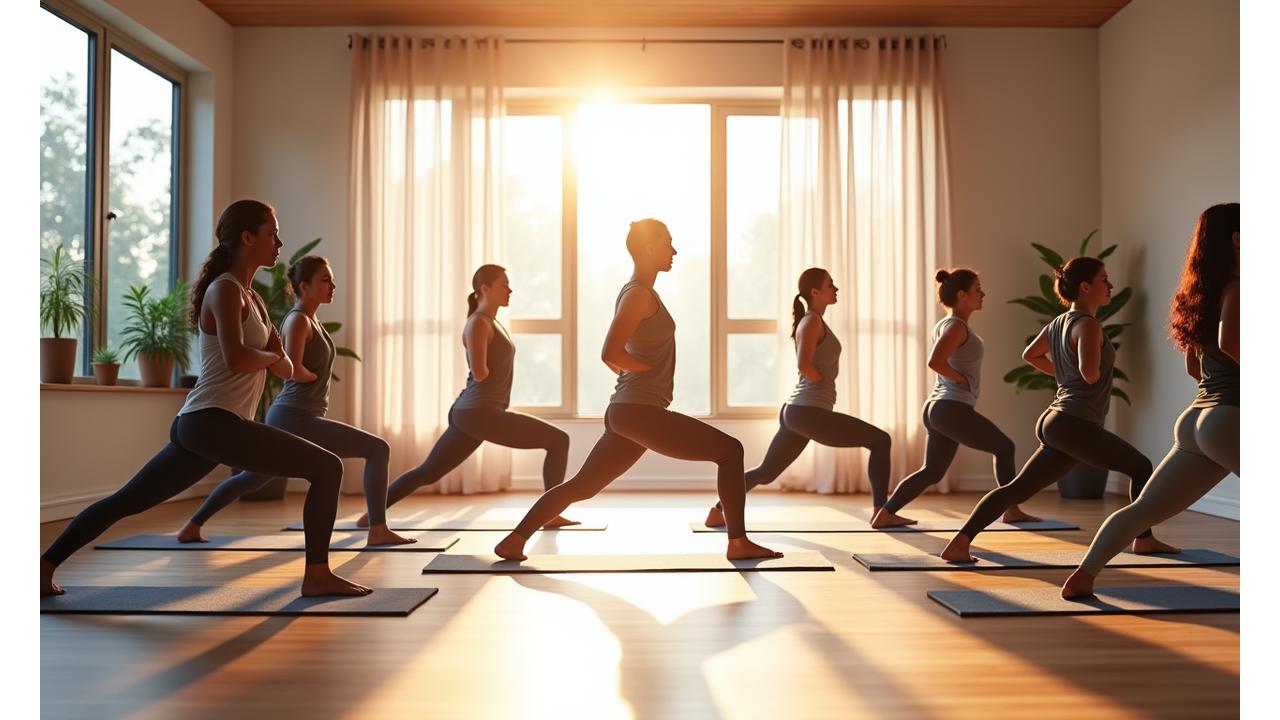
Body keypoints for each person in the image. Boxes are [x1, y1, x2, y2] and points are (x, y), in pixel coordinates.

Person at [41, 200, 369, 597]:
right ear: (247, 237)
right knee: (327, 468)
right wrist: (269, 355)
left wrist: (270, 357)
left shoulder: (255, 300)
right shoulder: (224, 290)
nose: (280, 243)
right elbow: (240, 357)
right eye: (272, 234)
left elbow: (282, 368)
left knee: (128, 500)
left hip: (207, 426)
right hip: (212, 421)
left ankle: (42, 568)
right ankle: (316, 576)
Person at [495, 219, 782, 561]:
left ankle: (514, 539)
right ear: (649, 248)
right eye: (667, 243)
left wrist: (642, 372)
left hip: (629, 412)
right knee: (731, 451)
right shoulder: (637, 295)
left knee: (582, 487)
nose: (674, 250)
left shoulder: (640, 293)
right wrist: (647, 370)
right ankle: (738, 542)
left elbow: (620, 357)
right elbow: (610, 353)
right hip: (638, 411)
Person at [939, 256, 1178, 562]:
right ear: (1085, 286)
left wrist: (1062, 375)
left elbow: (1030, 355)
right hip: (1075, 422)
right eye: (1104, 279)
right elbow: (1089, 374)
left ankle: (960, 542)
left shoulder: (1058, 322)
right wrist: (1082, 371)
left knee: (1017, 489)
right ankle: (1143, 540)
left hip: (1058, 421)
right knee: (1141, 467)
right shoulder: (1089, 325)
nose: (1110, 286)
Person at [1062, 203, 1239, 598]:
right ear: (1236, 240)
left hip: (1197, 420)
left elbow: (1196, 368)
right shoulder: (1239, 287)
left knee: (1142, 509)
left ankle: (1084, 575)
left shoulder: (1201, 296)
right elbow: (1230, 344)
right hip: (1229, 416)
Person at [177, 256, 415, 547]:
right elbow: (290, 366)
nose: (332, 285)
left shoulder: (311, 319)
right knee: (377, 449)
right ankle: (377, 529)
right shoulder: (298, 320)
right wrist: (311, 375)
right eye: (325, 280)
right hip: (294, 416)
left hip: (300, 415)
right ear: (304, 286)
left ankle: (192, 525)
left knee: (253, 477)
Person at [356, 265, 578, 529]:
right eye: (503, 284)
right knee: (558, 440)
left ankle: (371, 515)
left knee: (429, 472)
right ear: (485, 289)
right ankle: (550, 513)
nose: (510, 290)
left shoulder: (491, 322)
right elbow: (480, 372)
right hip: (479, 412)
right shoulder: (477, 323)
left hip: (474, 413)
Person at [703, 268, 893, 528]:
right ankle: (881, 511)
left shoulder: (813, 320)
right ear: (815, 292)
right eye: (830, 284)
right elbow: (803, 364)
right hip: (808, 411)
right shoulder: (812, 321)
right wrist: (820, 380)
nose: (835, 288)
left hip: (798, 412)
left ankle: (717, 511)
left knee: (766, 473)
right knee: (881, 441)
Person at [871, 268, 1038, 528]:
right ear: (962, 295)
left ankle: (885, 513)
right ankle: (1011, 509)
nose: (983, 294)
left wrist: (959, 381)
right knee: (1005, 448)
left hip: (940, 408)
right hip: (950, 407)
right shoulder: (956, 327)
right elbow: (935, 362)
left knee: (933, 471)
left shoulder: (949, 324)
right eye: (978, 289)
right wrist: (961, 380)